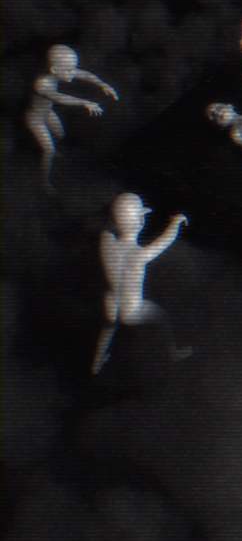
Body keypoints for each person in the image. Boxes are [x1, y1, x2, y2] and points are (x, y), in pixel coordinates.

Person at [92, 193, 190, 374]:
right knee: (161, 317)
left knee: (108, 328)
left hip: (111, 303)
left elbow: (107, 227)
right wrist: (174, 224)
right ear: (140, 222)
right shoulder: (139, 255)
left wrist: (116, 216)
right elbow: (164, 242)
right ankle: (173, 352)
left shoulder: (106, 242)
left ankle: (97, 363)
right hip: (130, 311)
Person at [25, 44, 118, 183]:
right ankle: (44, 182)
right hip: (35, 118)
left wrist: (103, 84)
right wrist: (84, 102)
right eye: (69, 70)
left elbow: (85, 74)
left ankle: (52, 151)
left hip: (48, 113)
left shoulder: (58, 72)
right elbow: (59, 98)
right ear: (54, 69)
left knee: (60, 134)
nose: (73, 73)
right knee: (49, 150)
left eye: (73, 68)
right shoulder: (42, 84)